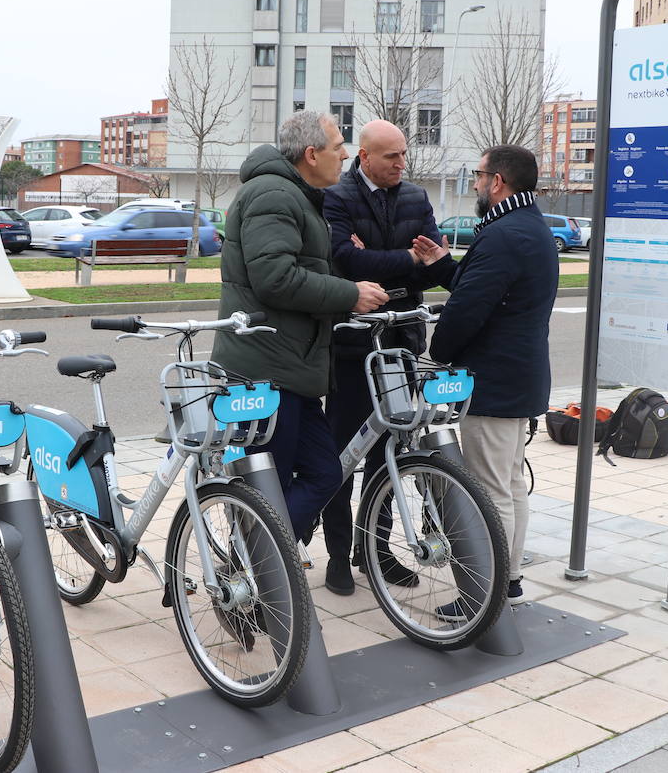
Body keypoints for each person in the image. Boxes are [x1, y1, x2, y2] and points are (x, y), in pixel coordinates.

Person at [213, 110, 389, 542]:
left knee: (324, 472)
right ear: (311, 154)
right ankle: (257, 577)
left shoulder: (297, 195)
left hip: (291, 367)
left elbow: (301, 269)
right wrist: (350, 294)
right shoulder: (274, 194)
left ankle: (264, 561)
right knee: (272, 487)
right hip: (267, 368)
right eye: (338, 147)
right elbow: (275, 279)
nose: (345, 155)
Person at [319, 119, 455, 596]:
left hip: (402, 343)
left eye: (403, 155)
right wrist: (407, 261)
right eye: (391, 156)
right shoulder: (337, 196)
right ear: (365, 157)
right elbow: (344, 262)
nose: (401, 163)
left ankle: (373, 551)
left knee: (390, 450)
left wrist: (396, 261)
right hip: (353, 345)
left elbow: (435, 260)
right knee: (342, 454)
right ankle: (337, 554)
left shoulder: (416, 197)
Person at [427, 144, 557, 610]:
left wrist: (436, 352)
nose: (477, 184)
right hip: (518, 376)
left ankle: (486, 592)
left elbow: (469, 307)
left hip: (495, 381)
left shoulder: (504, 234)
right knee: (510, 483)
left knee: (488, 488)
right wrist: (442, 264)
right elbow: (482, 284)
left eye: (480, 176)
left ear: (497, 181)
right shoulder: (527, 227)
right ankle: (510, 579)